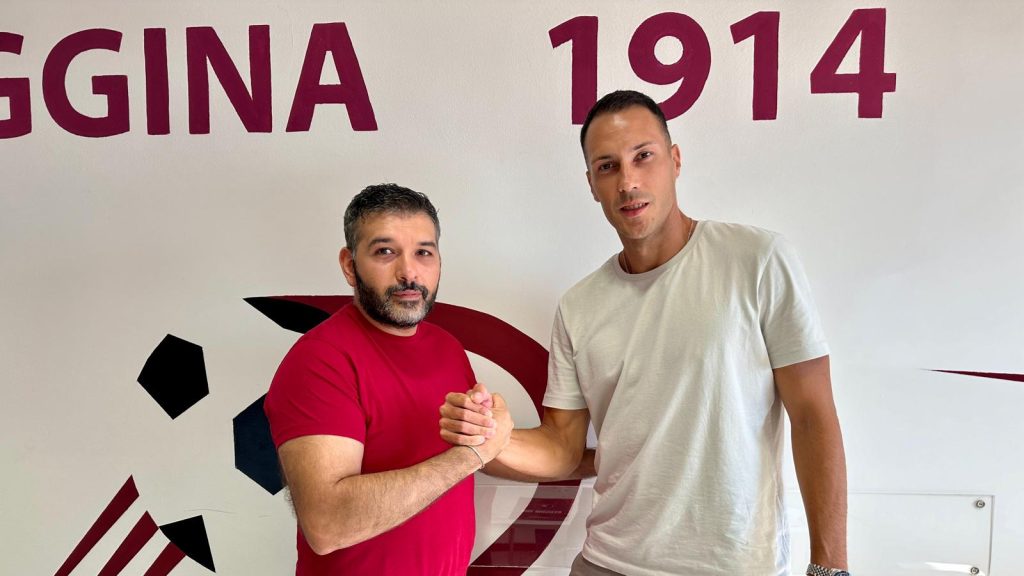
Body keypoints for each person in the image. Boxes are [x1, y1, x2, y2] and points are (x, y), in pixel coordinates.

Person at [440, 91, 849, 576]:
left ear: (675, 160)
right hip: (607, 562)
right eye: (608, 167)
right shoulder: (578, 306)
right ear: (592, 184)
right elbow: (562, 450)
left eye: (643, 156)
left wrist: (830, 568)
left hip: (733, 566)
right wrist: (490, 436)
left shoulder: (757, 260)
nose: (628, 182)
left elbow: (813, 416)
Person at [264, 183, 512, 575]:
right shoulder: (320, 360)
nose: (409, 272)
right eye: (385, 252)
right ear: (350, 266)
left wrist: (598, 460)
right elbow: (327, 523)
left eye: (423, 252)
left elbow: (485, 445)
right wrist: (470, 456)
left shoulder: (447, 349)